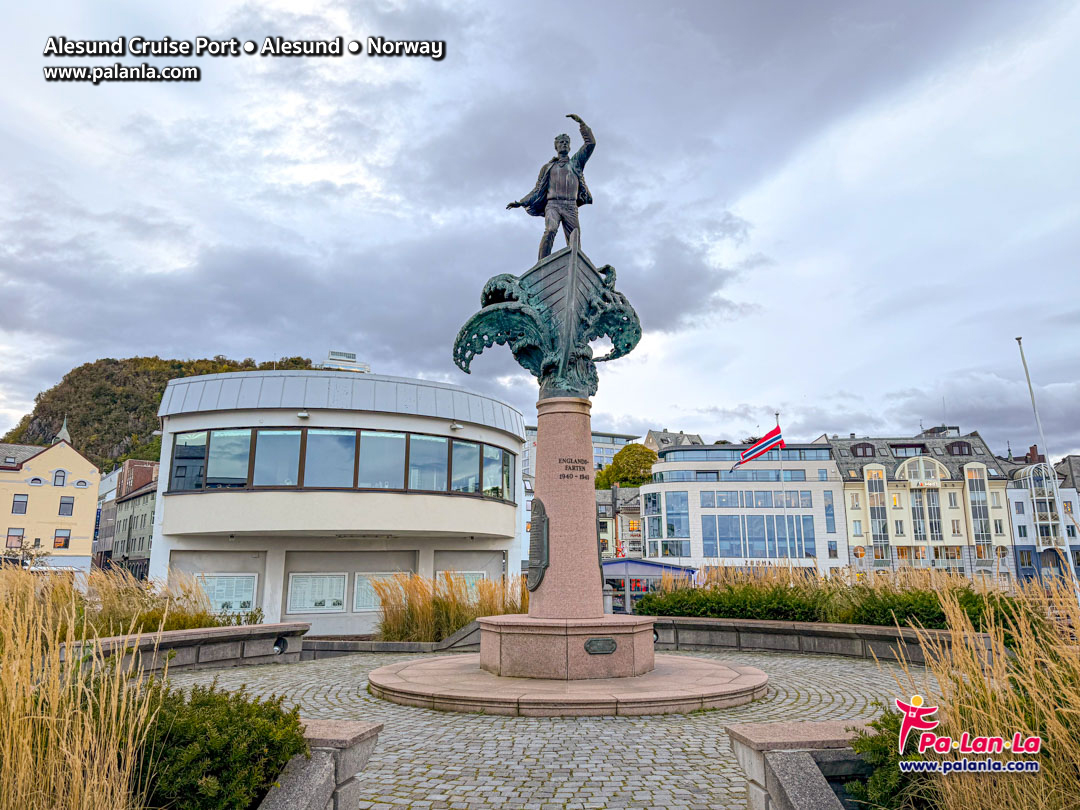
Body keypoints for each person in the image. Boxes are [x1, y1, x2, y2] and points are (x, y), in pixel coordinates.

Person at [507, 114, 595, 260]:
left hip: (570, 206)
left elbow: (590, 144)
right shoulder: (548, 167)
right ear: (556, 146)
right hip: (553, 205)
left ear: (570, 145)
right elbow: (537, 190)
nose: (564, 144)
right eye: (561, 142)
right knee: (550, 230)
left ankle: (574, 263)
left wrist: (582, 124)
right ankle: (542, 263)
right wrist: (521, 202)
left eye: (566, 142)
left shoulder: (575, 163)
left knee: (574, 238)